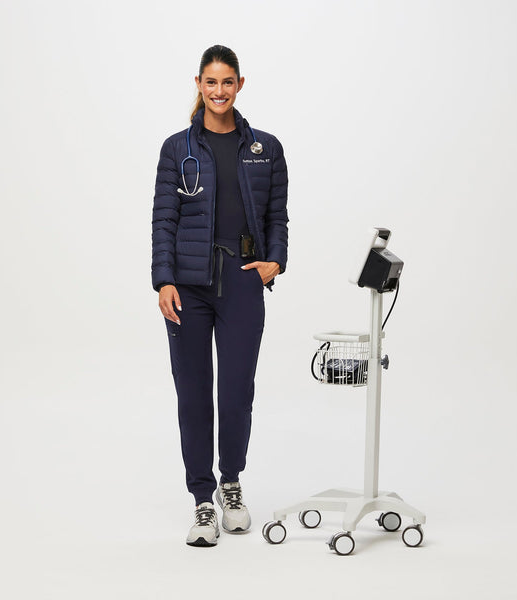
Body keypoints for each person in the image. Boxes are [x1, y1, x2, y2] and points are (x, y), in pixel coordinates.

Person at [151, 45, 289, 547]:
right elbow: (164, 219)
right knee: (193, 395)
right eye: (210, 82)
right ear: (199, 84)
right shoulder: (177, 148)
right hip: (188, 287)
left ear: (239, 85)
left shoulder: (265, 148)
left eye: (227, 81)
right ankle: (202, 500)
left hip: (243, 281)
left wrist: (276, 260)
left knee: (236, 393)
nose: (219, 90)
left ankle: (231, 482)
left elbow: (277, 215)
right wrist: (164, 280)